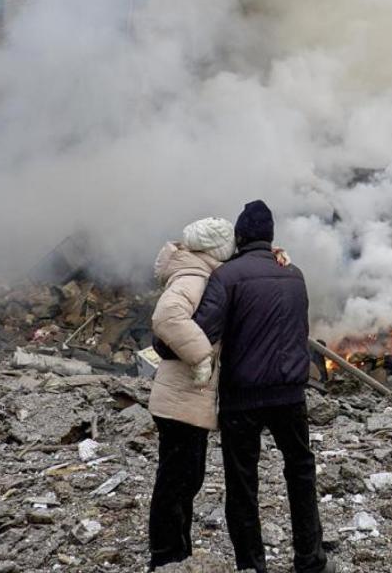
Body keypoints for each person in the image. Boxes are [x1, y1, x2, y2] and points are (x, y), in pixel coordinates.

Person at [195, 200, 334, 573]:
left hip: (242, 397)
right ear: (271, 237)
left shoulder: (226, 277)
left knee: (242, 483)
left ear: (239, 236)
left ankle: (251, 565)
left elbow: (204, 331)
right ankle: (311, 560)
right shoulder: (294, 274)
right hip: (290, 393)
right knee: (301, 469)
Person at [147, 217, 236, 570]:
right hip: (180, 399)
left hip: (184, 400)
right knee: (177, 481)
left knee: (185, 478)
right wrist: (200, 356)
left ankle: (176, 553)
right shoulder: (192, 277)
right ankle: (166, 557)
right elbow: (167, 316)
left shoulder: (198, 273)